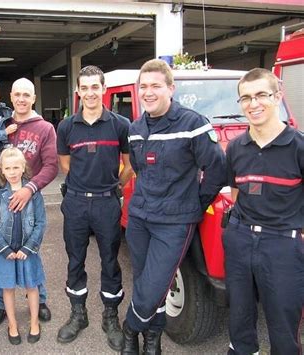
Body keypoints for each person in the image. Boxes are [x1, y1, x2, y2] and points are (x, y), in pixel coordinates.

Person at [122, 59, 226, 355]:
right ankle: (152, 339)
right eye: (143, 87)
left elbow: (217, 169)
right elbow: (139, 168)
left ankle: (130, 328)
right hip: (140, 218)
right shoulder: (136, 128)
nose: (148, 92)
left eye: (156, 85)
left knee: (155, 285)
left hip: (174, 222)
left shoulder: (193, 124)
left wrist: (195, 203)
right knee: (144, 281)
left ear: (171, 88)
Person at [223, 68, 303, 355]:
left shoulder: (299, 147)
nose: (253, 104)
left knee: (283, 324)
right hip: (241, 240)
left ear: (278, 97)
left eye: (261, 95)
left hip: (283, 245)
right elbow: (236, 194)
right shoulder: (235, 148)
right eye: (245, 98)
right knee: (239, 317)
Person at [56, 65, 133, 351]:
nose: (90, 93)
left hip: (106, 203)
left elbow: (130, 163)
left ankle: (110, 316)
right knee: (75, 260)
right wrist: (84, 181)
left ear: (103, 90)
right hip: (75, 202)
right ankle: (79, 314)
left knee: (110, 261)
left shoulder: (120, 125)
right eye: (84, 88)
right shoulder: (66, 127)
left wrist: (114, 185)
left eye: (95, 87)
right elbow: (65, 165)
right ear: (78, 91)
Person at [0, 77, 58, 326]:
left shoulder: (45, 128)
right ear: (11, 95)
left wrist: (29, 189)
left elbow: (51, 165)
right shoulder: (0, 125)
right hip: (3, 198)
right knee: (2, 250)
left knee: (31, 248)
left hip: (29, 200)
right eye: (17, 94)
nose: (21, 99)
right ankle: (0, 304)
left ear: (34, 98)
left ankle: (40, 300)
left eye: (26, 94)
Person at [0, 147, 46, 345]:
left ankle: (34, 322)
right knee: (7, 288)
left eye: (16, 167)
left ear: (23, 168)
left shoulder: (33, 193)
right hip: (5, 252)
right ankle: (12, 324)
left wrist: (29, 248)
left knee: (32, 286)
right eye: (8, 168)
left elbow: (40, 222)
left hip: (28, 251)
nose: (12, 172)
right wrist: (2, 248)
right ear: (2, 170)